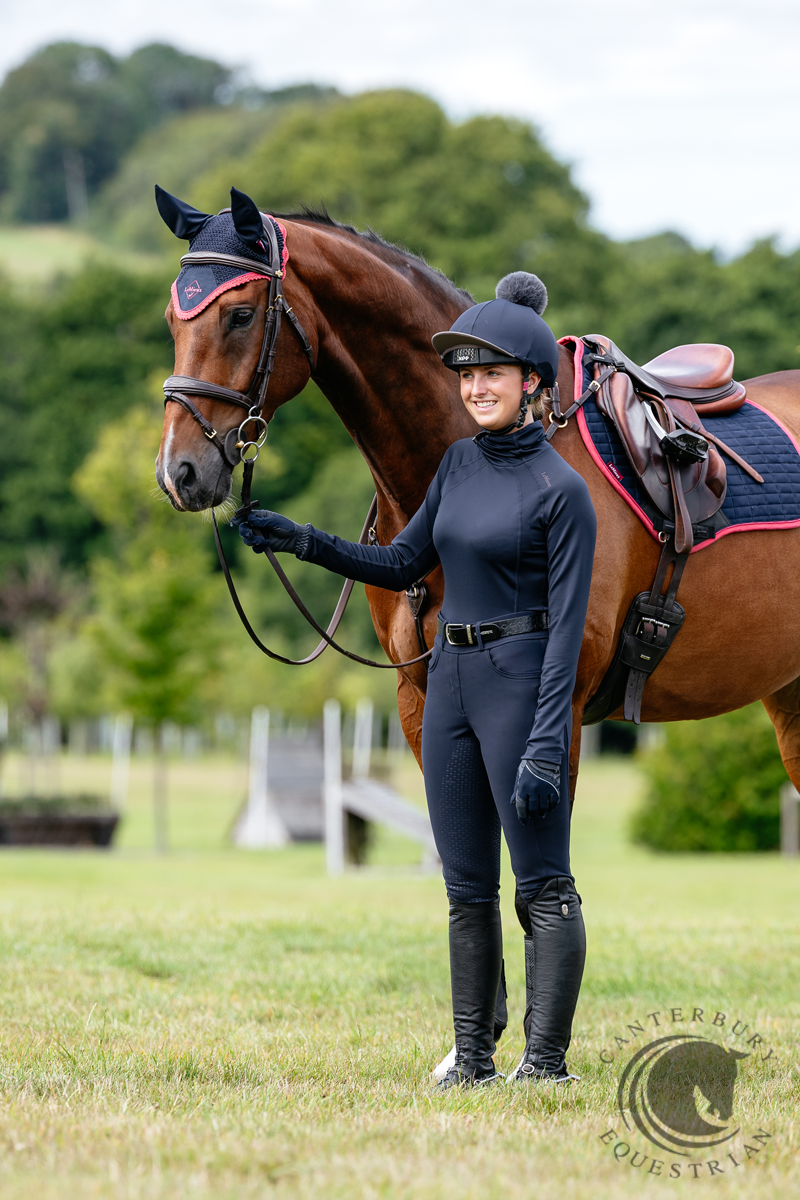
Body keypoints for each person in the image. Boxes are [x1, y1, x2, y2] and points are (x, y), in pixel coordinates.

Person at [233, 272, 597, 1089]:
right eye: (466, 376)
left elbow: (570, 634)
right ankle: (471, 1060)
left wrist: (546, 743)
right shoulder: (459, 466)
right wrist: (299, 539)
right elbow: (402, 561)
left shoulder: (563, 493)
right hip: (452, 685)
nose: (476, 389)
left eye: (492, 375)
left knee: (543, 882)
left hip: (521, 680)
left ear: (532, 384)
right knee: (466, 887)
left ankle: (545, 1064)